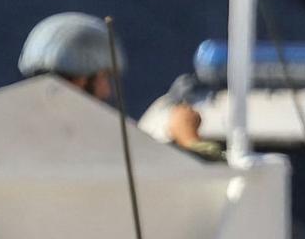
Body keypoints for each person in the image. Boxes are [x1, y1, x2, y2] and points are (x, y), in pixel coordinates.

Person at [17, 11, 216, 155]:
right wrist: (189, 140)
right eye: (104, 77)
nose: (107, 91)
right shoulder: (95, 141)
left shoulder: (15, 133)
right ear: (80, 79)